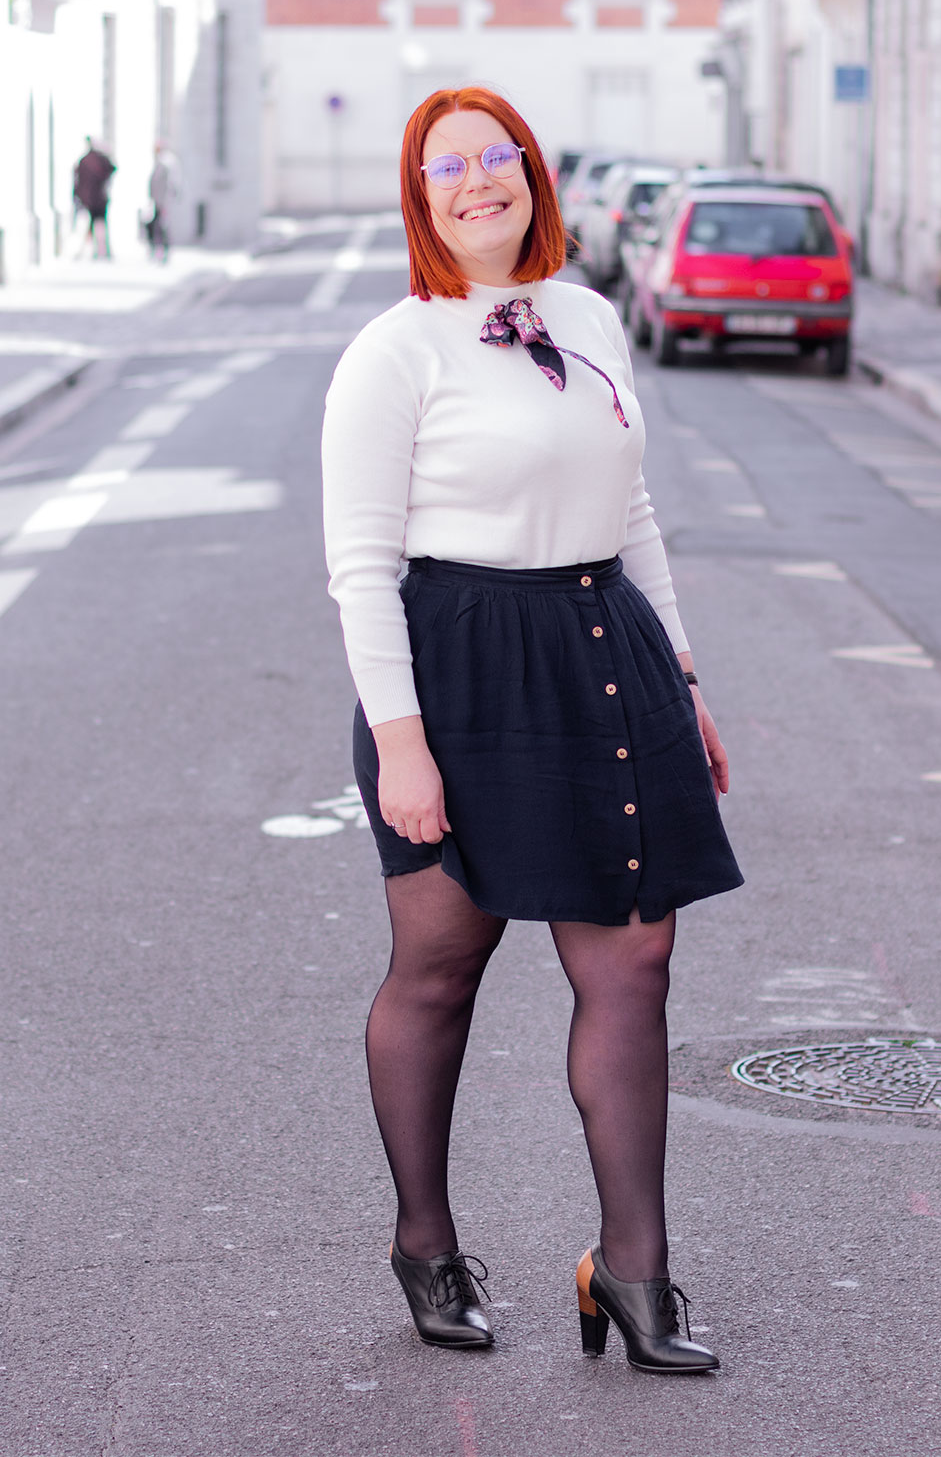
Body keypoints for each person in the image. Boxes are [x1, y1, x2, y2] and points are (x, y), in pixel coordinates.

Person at [321, 87, 743, 1374]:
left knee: (634, 964)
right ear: (421, 197)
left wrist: (684, 672)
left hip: (604, 651)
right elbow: (359, 565)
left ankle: (633, 1271)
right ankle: (425, 1243)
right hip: (461, 669)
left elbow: (638, 513)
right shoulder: (395, 352)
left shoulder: (594, 317)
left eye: (493, 158)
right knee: (441, 969)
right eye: (444, 167)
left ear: (530, 177)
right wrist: (402, 742)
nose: (474, 183)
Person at [73, 138, 116, 259]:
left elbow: (77, 180)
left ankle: (94, 250)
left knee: (93, 224)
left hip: (90, 199)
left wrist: (77, 196)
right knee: (99, 224)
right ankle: (101, 250)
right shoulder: (100, 159)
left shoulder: (85, 160)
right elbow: (112, 168)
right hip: (99, 198)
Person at [147, 143, 181, 262]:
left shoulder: (164, 165)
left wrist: (165, 202)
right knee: (157, 227)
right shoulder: (159, 164)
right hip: (158, 202)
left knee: (162, 227)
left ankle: (164, 251)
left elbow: (168, 186)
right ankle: (158, 251)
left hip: (163, 202)